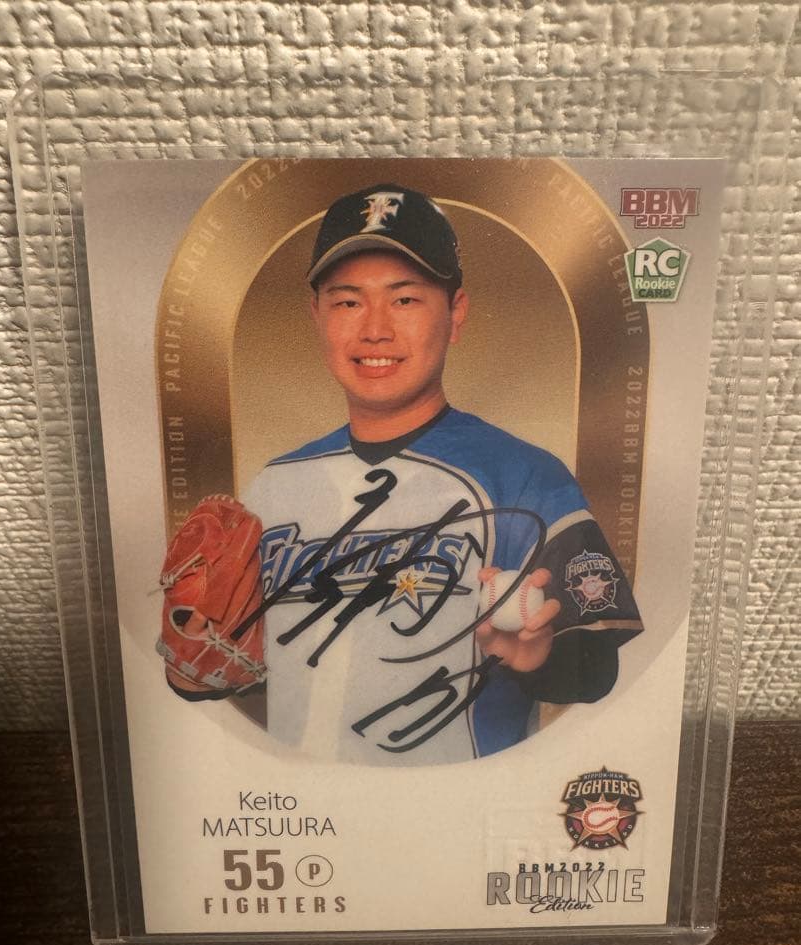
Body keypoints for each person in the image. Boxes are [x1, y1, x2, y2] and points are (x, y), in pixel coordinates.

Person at [169, 183, 643, 766]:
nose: (374, 330)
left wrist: (539, 658)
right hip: (307, 802)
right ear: (316, 316)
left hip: (456, 802)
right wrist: (194, 662)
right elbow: (230, 668)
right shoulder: (274, 485)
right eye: (348, 302)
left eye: (405, 299)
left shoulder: (526, 477)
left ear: (456, 313)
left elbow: (596, 669)